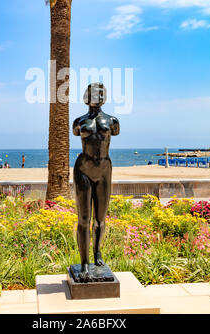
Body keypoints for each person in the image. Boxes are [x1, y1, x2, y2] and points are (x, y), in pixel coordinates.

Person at [73, 83, 120, 282]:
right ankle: (84, 262)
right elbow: (77, 132)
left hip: (104, 170)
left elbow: (113, 132)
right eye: (94, 93)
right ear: (87, 96)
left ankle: (97, 253)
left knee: (100, 219)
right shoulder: (78, 121)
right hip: (83, 169)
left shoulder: (112, 121)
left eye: (101, 93)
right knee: (84, 220)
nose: (98, 96)